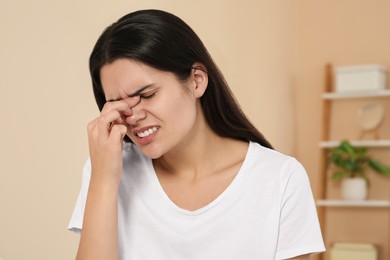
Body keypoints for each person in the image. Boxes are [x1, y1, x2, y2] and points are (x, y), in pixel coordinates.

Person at [68, 9, 325, 260]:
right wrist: (103, 181)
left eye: (147, 95)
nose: (132, 117)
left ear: (197, 80)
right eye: (117, 104)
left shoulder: (280, 178)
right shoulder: (107, 170)